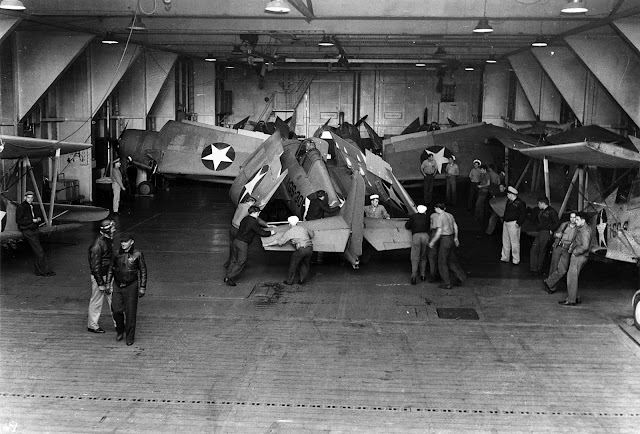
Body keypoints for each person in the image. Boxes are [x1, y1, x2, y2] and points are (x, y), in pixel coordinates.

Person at [109, 233, 147, 345]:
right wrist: (108, 284)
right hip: (117, 284)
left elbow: (143, 271)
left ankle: (130, 337)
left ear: (132, 242)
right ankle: (120, 329)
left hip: (131, 285)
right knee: (116, 310)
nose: (123, 244)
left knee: (130, 313)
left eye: (125, 242)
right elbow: (111, 268)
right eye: (122, 242)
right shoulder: (116, 253)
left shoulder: (138, 254)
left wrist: (142, 287)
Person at [225, 205, 275, 286]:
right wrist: (271, 232)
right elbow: (261, 232)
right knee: (241, 261)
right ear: (255, 212)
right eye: (258, 212)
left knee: (234, 260)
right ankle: (230, 277)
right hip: (242, 244)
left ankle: (226, 276)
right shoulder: (253, 221)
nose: (259, 214)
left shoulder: (245, 218)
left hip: (236, 241)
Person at [224, 195, 269, 272]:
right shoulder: (248, 209)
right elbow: (256, 218)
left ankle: (229, 264)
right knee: (240, 251)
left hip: (232, 228)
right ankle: (233, 270)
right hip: (238, 230)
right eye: (253, 203)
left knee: (233, 247)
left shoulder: (240, 205)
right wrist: (266, 224)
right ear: (250, 202)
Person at [87, 219, 116, 333]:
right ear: (107, 230)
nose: (114, 230)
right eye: (112, 228)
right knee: (98, 301)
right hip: (102, 277)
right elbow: (95, 267)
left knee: (110, 300)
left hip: (106, 276)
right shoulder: (97, 245)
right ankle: (93, 325)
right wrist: (101, 283)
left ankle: (93, 324)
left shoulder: (104, 241)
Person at [16, 191, 55, 276]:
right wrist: (32, 221)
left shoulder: (31, 206)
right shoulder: (21, 207)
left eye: (31, 198)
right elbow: (18, 221)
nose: (30, 199)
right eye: (28, 197)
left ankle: (40, 271)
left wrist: (37, 219)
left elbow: (31, 217)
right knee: (39, 251)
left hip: (33, 229)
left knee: (37, 251)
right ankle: (45, 271)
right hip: (28, 230)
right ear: (25, 198)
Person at [429, 203, 466, 289]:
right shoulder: (450, 215)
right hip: (451, 238)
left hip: (444, 239)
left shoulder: (439, 217)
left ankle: (447, 283)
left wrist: (432, 241)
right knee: (451, 260)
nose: (434, 209)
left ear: (438, 208)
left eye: (435, 208)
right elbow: (455, 227)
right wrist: (456, 238)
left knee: (442, 262)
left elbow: (438, 232)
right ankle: (460, 277)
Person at [269, 216, 315, 285]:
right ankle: (302, 280)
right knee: (305, 264)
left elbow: (280, 241)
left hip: (301, 249)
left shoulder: (290, 232)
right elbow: (312, 235)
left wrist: (268, 244)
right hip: (310, 248)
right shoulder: (303, 228)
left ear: (289, 224)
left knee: (293, 265)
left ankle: (289, 281)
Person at [559, 212, 592, 306]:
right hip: (579, 256)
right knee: (574, 277)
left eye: (577, 219)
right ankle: (575, 297)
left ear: (583, 220)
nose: (575, 221)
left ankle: (571, 300)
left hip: (579, 256)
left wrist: (575, 252)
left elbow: (585, 246)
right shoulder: (582, 228)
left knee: (571, 278)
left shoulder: (585, 231)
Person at [543, 212, 577, 294]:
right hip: (558, 247)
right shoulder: (564, 225)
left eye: (574, 217)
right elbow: (555, 234)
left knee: (563, 269)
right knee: (553, 266)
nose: (572, 219)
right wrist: (556, 235)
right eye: (571, 217)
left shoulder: (578, 229)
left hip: (567, 250)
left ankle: (548, 282)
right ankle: (552, 288)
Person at [306, 190, 341, 264]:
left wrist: (329, 206)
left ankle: (311, 259)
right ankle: (314, 259)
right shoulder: (321, 203)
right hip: (315, 223)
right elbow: (329, 211)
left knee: (310, 239)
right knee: (316, 239)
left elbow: (320, 207)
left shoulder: (313, 201)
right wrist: (339, 206)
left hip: (309, 221)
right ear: (323, 196)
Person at [529, 196, 559, 275]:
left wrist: (551, 230)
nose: (538, 205)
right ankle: (534, 268)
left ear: (543, 203)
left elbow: (556, 223)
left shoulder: (552, 211)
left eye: (539, 203)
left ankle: (538, 269)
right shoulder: (542, 211)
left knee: (541, 250)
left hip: (545, 232)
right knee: (534, 249)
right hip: (540, 232)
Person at [500, 186, 527, 265]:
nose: (507, 195)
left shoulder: (520, 203)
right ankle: (505, 257)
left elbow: (523, 214)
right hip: (506, 223)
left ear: (512, 194)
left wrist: (518, 223)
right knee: (505, 241)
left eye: (508, 194)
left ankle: (515, 259)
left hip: (513, 224)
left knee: (514, 242)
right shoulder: (509, 202)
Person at [404, 205, 430, 285]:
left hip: (416, 236)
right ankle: (422, 275)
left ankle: (414, 277)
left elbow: (407, 226)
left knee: (415, 257)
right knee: (423, 256)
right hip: (425, 236)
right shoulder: (427, 217)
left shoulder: (413, 216)